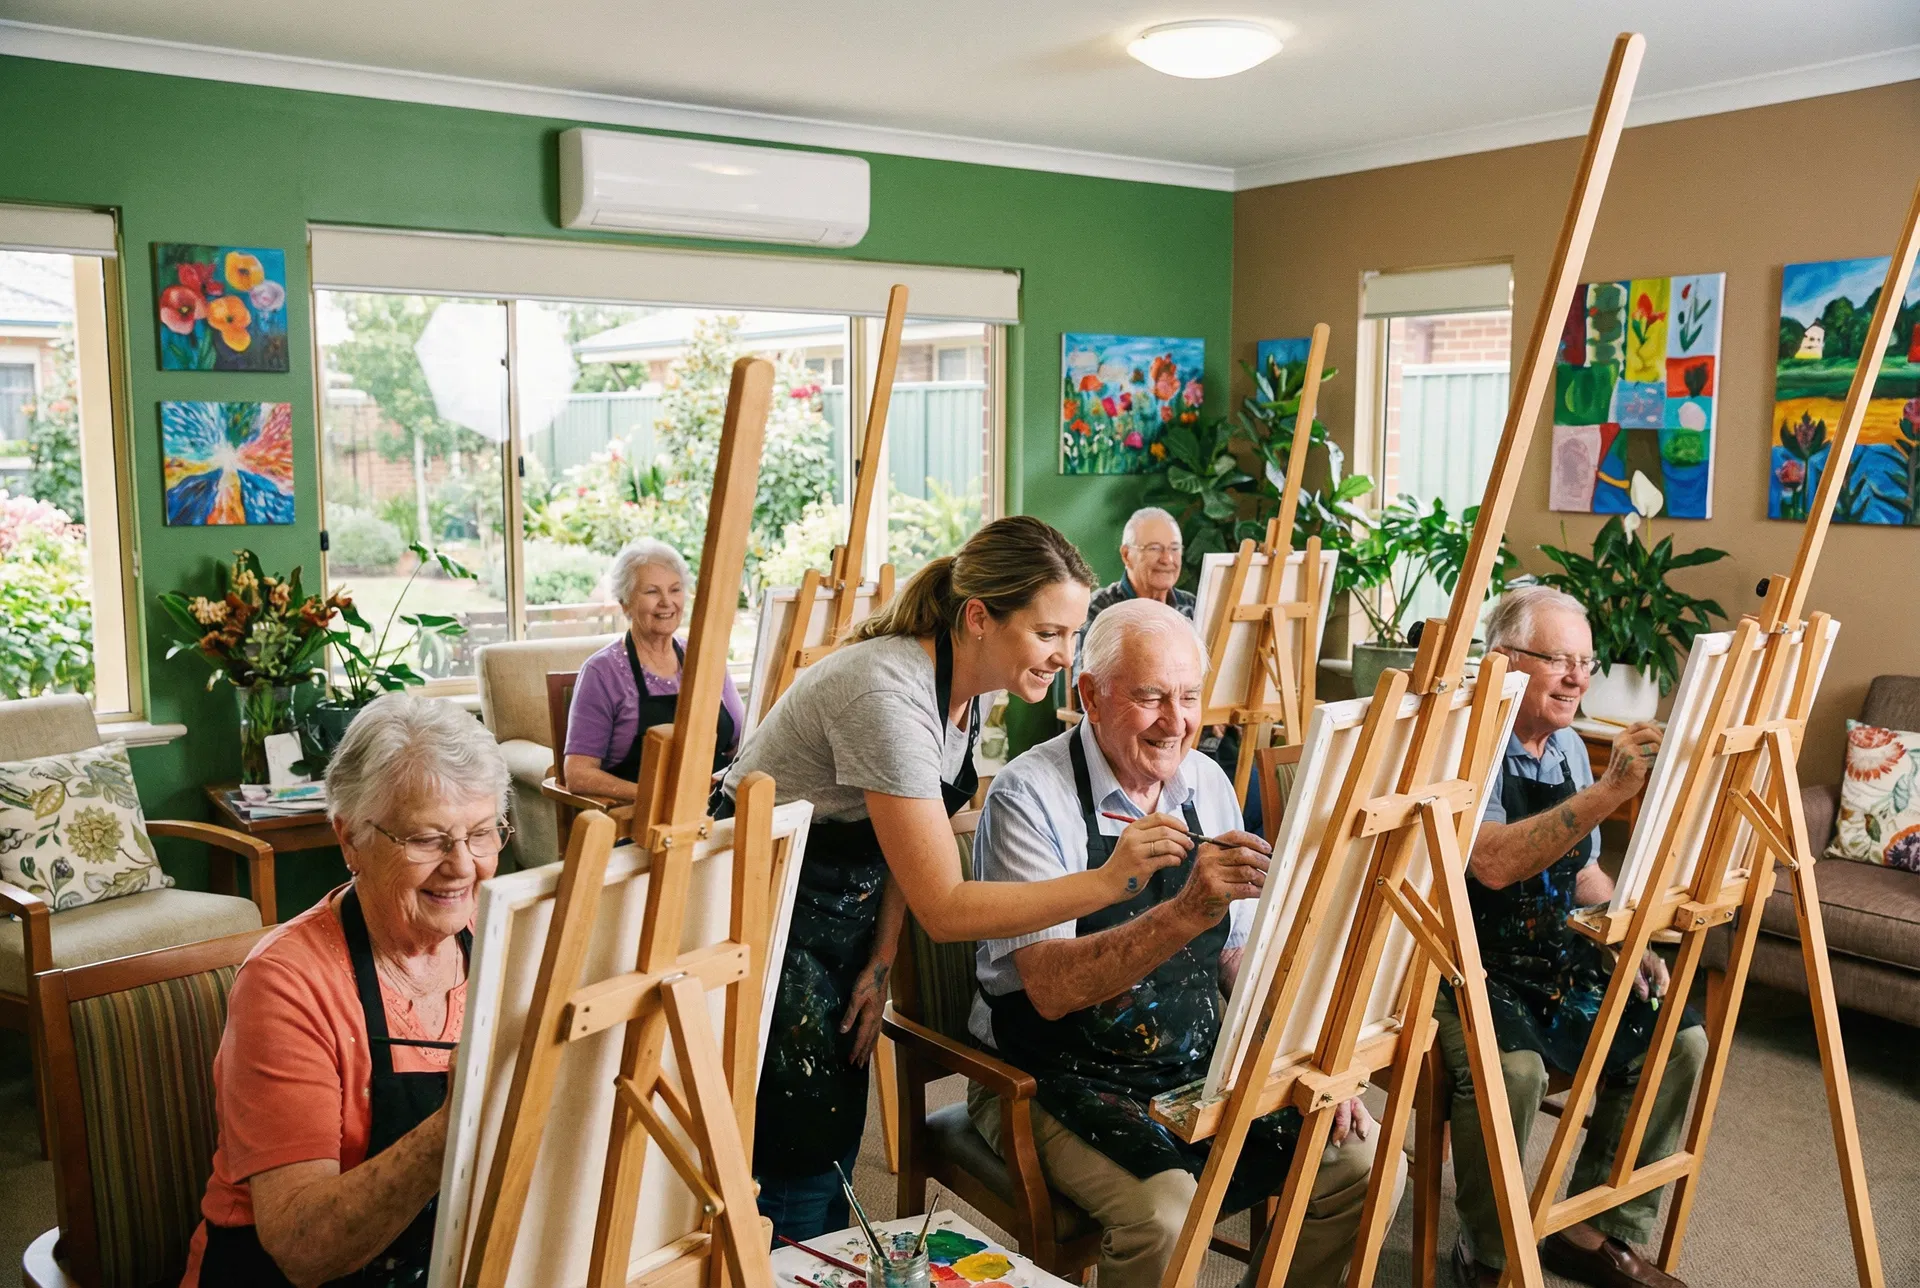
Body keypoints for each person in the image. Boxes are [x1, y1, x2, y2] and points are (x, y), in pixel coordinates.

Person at [720, 516, 1182, 1239]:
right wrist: (1109, 881)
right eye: (1048, 634)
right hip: (753, 907)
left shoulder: (969, 684)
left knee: (832, 1129)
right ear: (978, 618)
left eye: (1071, 634)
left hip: (840, 906)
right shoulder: (888, 696)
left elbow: (916, 842)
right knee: (793, 1142)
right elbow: (945, 903)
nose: (1064, 657)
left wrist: (879, 962)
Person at [969, 599, 1395, 1288]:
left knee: (1360, 1157)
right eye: (1149, 698)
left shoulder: (1206, 783)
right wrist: (1184, 913)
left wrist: (1307, 1059)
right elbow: (1048, 989)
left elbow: (1239, 955)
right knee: (1168, 1214)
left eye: (1190, 697)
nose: (1176, 722)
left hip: (1193, 1060)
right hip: (1055, 1078)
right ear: (1090, 696)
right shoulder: (1030, 795)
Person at [183, 693, 513, 1286]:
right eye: (427, 839)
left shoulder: (504, 940)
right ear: (350, 839)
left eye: (482, 833)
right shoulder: (285, 985)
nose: (463, 865)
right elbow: (301, 1249)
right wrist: (457, 1123)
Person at [1443, 586, 1705, 1288]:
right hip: (1462, 960)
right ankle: (1489, 1249)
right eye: (1558, 659)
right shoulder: (1465, 739)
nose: (1577, 677)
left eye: (1585, 662)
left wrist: (1625, 934)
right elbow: (1491, 862)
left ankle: (1596, 1227)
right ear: (1501, 661)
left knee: (1677, 1037)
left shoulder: (1564, 746)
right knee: (1517, 1072)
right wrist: (1610, 794)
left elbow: (1583, 869)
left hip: (1552, 949)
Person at [564, 538, 745, 800]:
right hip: (641, 819)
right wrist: (657, 799)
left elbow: (739, 743)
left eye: (675, 590)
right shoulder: (602, 672)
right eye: (651, 592)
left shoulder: (705, 658)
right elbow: (578, 774)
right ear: (625, 603)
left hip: (715, 807)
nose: (666, 602)